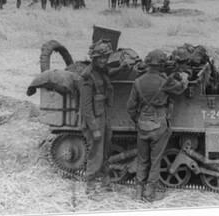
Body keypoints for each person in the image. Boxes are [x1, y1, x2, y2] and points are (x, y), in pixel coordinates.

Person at [126, 49, 188, 202]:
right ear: (161, 65)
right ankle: (149, 194)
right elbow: (181, 88)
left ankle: (138, 191)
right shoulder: (164, 81)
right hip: (159, 126)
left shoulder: (138, 82)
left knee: (142, 159)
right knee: (155, 161)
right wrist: (184, 77)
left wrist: (138, 121)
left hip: (142, 125)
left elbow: (130, 107)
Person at [79, 39, 114, 198]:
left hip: (104, 116)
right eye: (100, 57)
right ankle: (90, 187)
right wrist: (94, 128)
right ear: (94, 58)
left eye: (106, 57)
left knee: (105, 151)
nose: (103, 60)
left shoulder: (102, 71)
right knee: (95, 153)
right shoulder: (87, 76)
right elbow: (85, 107)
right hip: (93, 120)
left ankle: (106, 182)